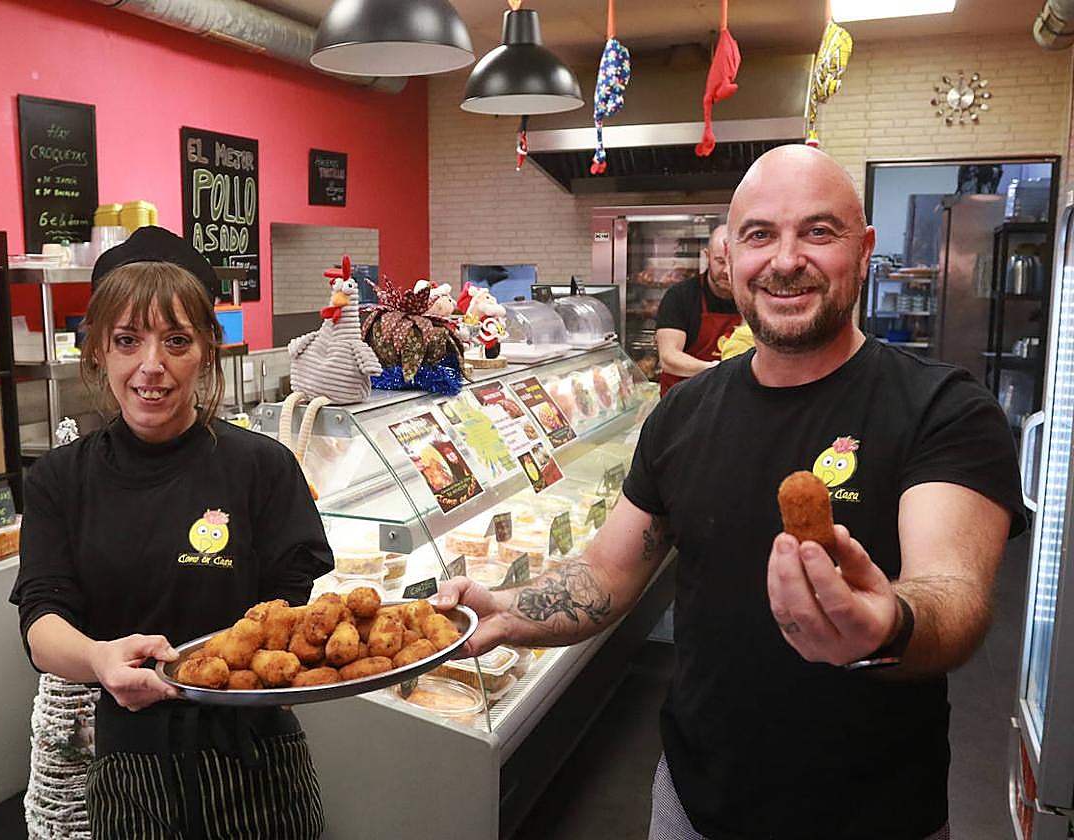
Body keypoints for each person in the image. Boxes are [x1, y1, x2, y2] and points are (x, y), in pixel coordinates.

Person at [437, 144, 1025, 840]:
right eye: (759, 235)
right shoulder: (684, 413)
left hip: (874, 816)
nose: (784, 259)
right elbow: (603, 574)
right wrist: (500, 611)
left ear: (863, 250)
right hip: (691, 805)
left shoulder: (944, 410)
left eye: (818, 231)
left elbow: (952, 591)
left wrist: (886, 622)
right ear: (729, 257)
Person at [10, 227, 332, 839]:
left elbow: (292, 606)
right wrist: (99, 660)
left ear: (208, 349)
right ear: (99, 350)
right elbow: (41, 624)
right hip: (128, 765)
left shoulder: (261, 467)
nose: (150, 367)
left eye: (176, 341)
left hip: (257, 760)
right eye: (127, 340)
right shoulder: (60, 479)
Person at [654, 223, 742, 395]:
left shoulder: (753, 297)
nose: (727, 270)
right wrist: (715, 370)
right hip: (683, 400)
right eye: (720, 261)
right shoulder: (680, 296)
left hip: (731, 398)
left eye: (733, 262)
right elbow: (669, 357)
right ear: (707, 256)